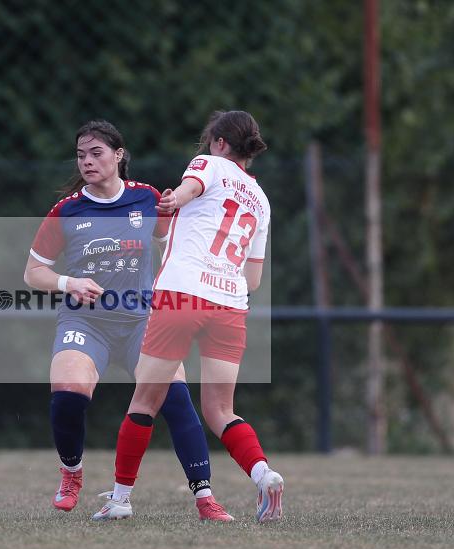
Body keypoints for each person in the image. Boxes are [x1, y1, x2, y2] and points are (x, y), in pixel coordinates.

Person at [24, 120, 233, 521]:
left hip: (141, 322)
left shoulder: (146, 199)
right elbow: (33, 273)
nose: (87, 161)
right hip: (86, 323)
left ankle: (205, 498)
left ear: (118, 155)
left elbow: (172, 247)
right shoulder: (67, 210)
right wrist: (68, 282)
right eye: (81, 155)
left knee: (176, 398)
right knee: (68, 393)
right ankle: (71, 473)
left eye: (96, 153)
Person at [92, 110, 284, 523]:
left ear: (219, 143)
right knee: (221, 411)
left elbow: (189, 189)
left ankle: (120, 499)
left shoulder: (208, 164)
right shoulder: (261, 200)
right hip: (230, 304)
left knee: (146, 399)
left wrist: (174, 200)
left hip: (183, 294)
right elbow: (253, 279)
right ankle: (263, 474)